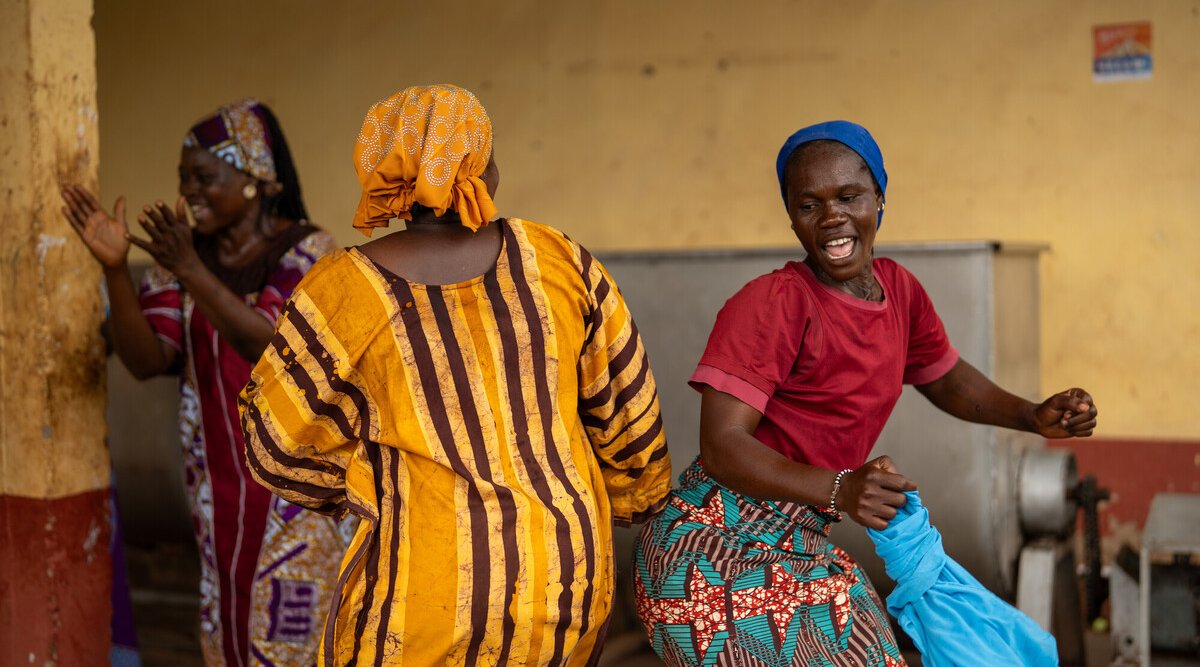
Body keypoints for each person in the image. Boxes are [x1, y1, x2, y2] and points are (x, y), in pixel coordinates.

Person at [632, 120, 1098, 667]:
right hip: (709, 552)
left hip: (799, 540)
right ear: (791, 217)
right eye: (809, 205)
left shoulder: (898, 290)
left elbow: (943, 377)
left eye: (849, 196)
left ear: (879, 197)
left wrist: (1031, 415)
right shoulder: (774, 302)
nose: (832, 217)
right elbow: (723, 444)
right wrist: (840, 489)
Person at [238, 84, 673, 666]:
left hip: (423, 582)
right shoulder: (560, 261)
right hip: (564, 570)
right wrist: (632, 497)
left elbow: (277, 441)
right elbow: (626, 410)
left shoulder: (346, 289)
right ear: (478, 170)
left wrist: (359, 484)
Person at [60, 99, 346, 667]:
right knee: (225, 635)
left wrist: (190, 268)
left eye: (205, 177)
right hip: (216, 488)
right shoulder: (182, 256)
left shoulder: (308, 252)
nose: (189, 191)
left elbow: (269, 346)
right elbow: (147, 360)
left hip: (295, 493)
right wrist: (116, 269)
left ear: (257, 180)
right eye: (182, 178)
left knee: (294, 634)